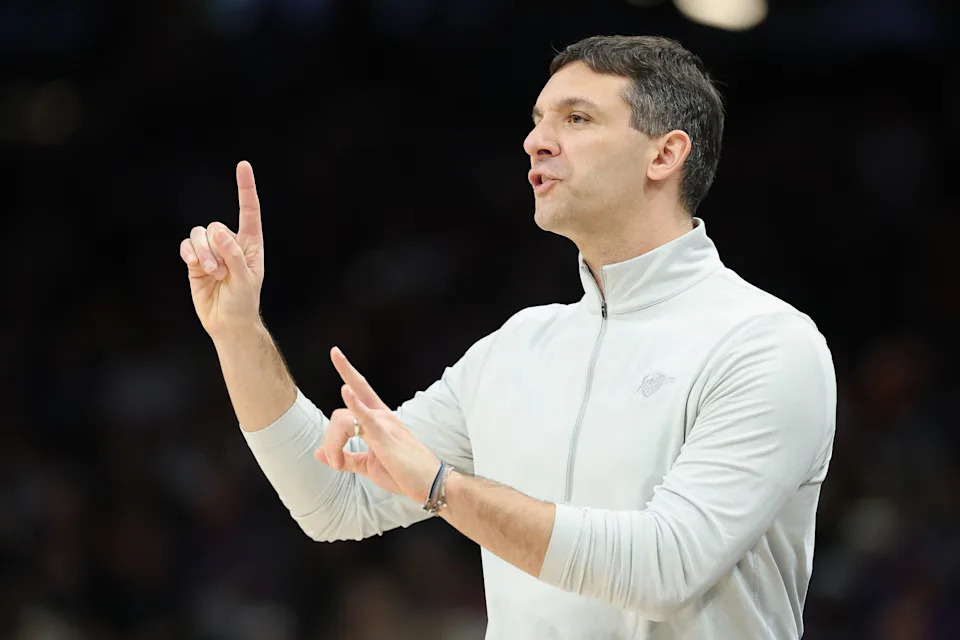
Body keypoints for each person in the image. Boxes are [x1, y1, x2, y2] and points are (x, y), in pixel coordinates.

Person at [178, 35, 836, 639]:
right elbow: (333, 501)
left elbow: (664, 569)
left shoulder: (766, 345)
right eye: (537, 120)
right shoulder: (516, 349)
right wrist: (238, 330)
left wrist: (444, 488)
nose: (536, 141)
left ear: (665, 154)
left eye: (576, 119)